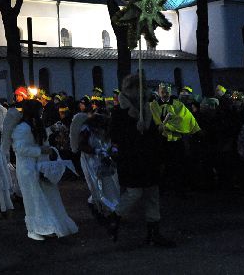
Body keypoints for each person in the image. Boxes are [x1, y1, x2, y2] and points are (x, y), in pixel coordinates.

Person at [106, 74, 175, 246]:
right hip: (132, 160)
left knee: (152, 195)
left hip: (149, 159)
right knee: (134, 193)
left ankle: (154, 233)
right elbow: (115, 137)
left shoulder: (148, 110)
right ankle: (115, 216)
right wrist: (133, 131)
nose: (143, 91)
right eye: (139, 88)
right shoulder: (120, 113)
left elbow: (152, 136)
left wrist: (155, 132)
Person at [11, 99, 78, 241]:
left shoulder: (35, 125)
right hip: (28, 169)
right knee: (33, 200)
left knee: (46, 198)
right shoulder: (22, 128)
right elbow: (20, 148)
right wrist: (40, 150)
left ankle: (49, 226)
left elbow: (39, 140)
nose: (42, 111)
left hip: (40, 167)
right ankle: (34, 228)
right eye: (39, 109)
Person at [149, 83, 200, 198]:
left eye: (167, 92)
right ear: (158, 92)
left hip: (176, 140)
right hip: (161, 141)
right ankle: (163, 189)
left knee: (178, 164)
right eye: (162, 91)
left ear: (170, 92)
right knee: (163, 165)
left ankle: (179, 189)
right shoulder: (154, 105)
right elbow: (154, 120)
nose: (165, 94)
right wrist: (160, 125)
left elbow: (184, 120)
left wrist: (168, 126)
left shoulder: (178, 105)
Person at [79, 113, 120, 220]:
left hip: (104, 160)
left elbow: (113, 144)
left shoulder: (107, 130)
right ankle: (97, 207)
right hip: (90, 161)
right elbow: (82, 145)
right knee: (95, 185)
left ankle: (110, 209)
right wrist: (96, 151)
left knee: (108, 185)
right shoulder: (87, 129)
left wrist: (113, 151)